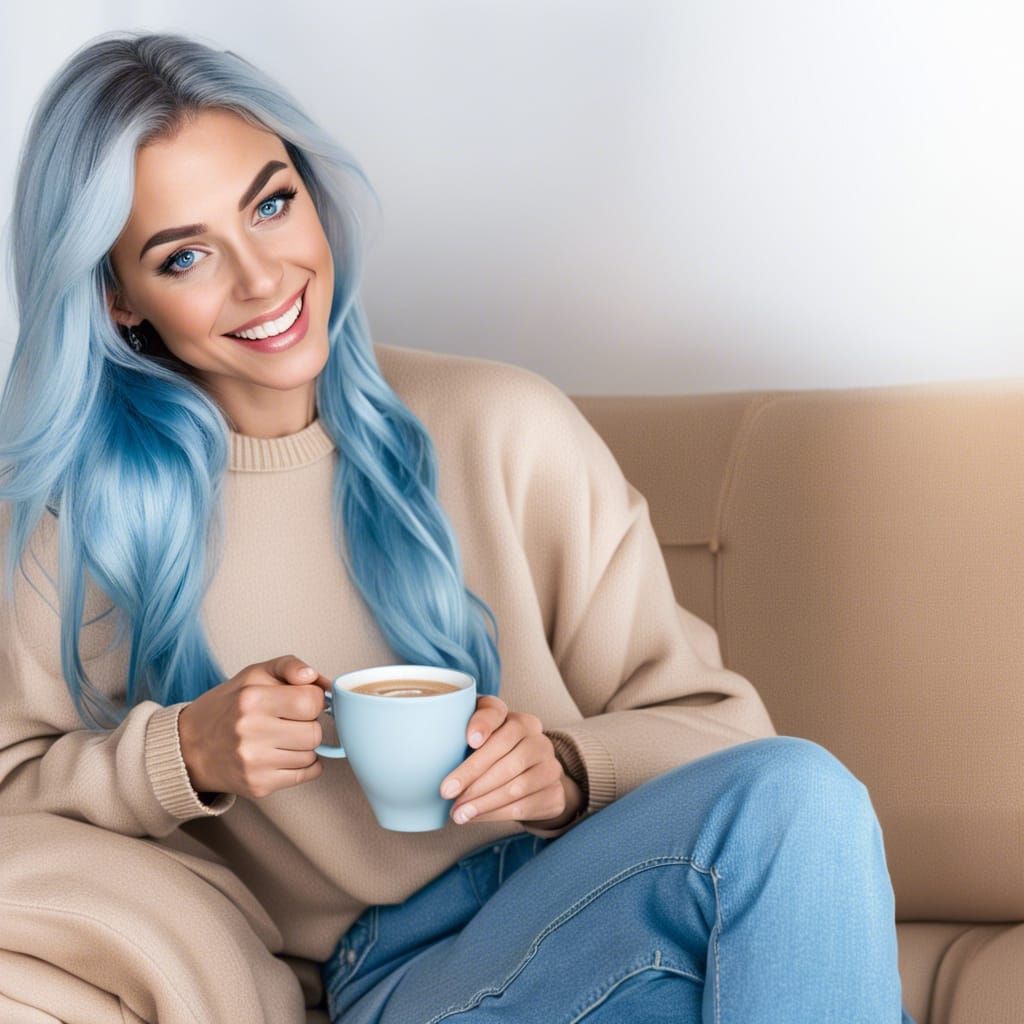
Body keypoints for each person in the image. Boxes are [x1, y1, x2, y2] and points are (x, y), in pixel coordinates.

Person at [0, 29, 916, 1024]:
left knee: (801, 794)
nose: (263, 280)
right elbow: (15, 792)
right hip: (393, 977)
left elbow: (729, 737)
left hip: (596, 907)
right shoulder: (78, 520)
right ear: (118, 297)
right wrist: (184, 754)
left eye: (272, 203)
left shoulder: (505, 426)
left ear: (314, 195)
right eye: (185, 256)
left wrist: (566, 770)